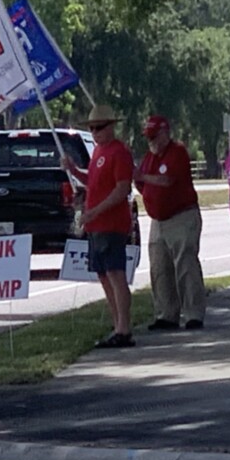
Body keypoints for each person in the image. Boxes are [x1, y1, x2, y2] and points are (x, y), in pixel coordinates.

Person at [62, 105, 136, 348]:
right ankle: (117, 325)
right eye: (92, 128)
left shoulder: (119, 153)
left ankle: (124, 328)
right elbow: (93, 181)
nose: (95, 132)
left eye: (99, 128)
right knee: (103, 275)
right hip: (95, 225)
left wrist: (95, 210)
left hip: (112, 224)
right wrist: (73, 171)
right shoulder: (98, 153)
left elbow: (122, 189)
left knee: (116, 274)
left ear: (111, 126)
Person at [134, 115, 207, 330]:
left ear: (165, 133)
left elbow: (167, 180)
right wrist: (143, 184)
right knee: (160, 268)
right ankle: (167, 314)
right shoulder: (149, 157)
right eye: (148, 138)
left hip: (182, 217)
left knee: (185, 265)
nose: (152, 143)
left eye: (155, 137)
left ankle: (194, 313)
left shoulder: (178, 152)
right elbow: (142, 183)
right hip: (158, 220)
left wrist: (144, 177)